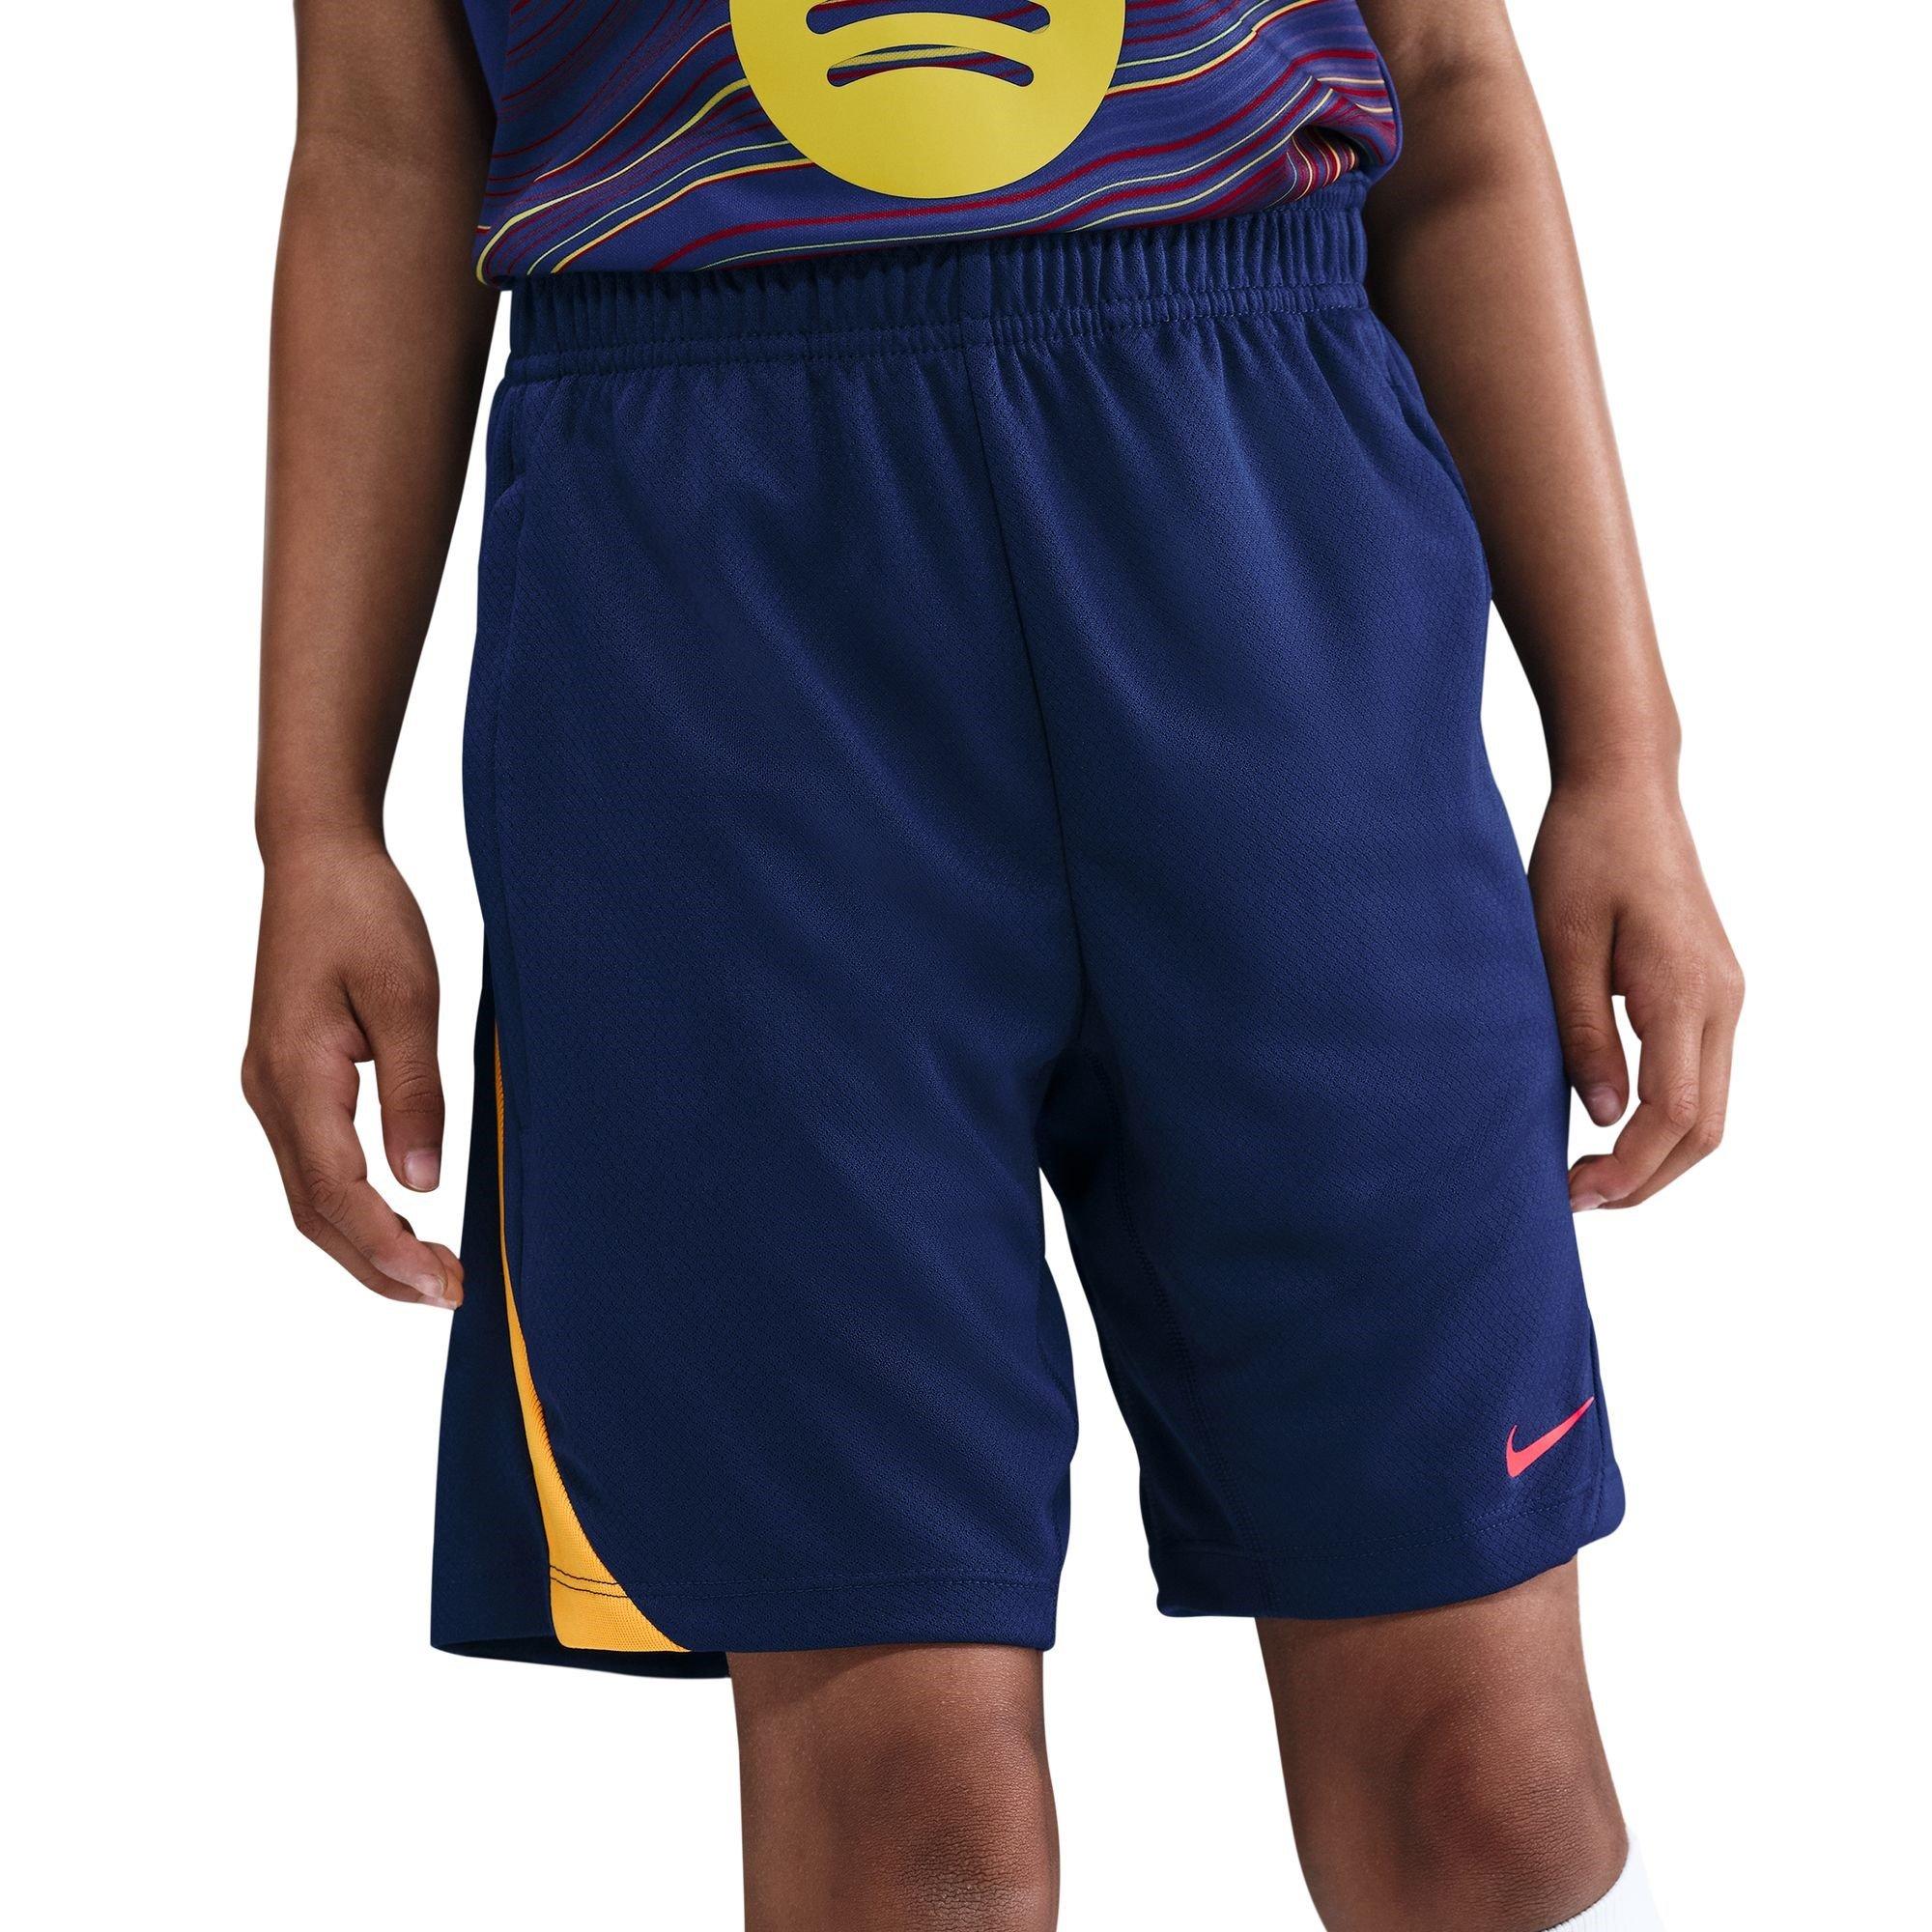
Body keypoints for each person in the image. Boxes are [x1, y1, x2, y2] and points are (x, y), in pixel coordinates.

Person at [243, 0, 1742, 1924]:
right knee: (913, 1831)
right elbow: (382, 149)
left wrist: (1622, 756)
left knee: (1492, 1805)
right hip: (714, 607)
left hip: (1261, 521)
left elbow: (1447, 92)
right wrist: (313, 821)